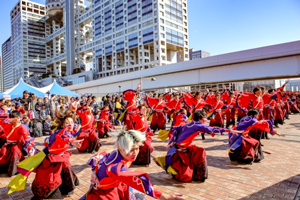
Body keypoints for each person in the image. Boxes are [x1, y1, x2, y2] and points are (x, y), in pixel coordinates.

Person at [80, 130, 183, 200]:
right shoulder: (116, 167)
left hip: (117, 184)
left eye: (137, 148)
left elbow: (102, 158)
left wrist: (95, 172)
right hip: (106, 193)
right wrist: (165, 196)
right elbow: (139, 183)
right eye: (131, 149)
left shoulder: (117, 152)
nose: (135, 153)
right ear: (121, 148)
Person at [7, 111, 82, 198]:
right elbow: (62, 138)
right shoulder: (60, 133)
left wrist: (74, 141)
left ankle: (67, 190)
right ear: (62, 125)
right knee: (48, 177)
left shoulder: (69, 133)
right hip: (51, 158)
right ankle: (44, 192)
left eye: (72, 122)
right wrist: (73, 142)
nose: (70, 124)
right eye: (67, 123)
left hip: (61, 156)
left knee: (67, 170)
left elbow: (70, 137)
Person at [154, 110, 230, 183]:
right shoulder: (196, 125)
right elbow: (212, 129)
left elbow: (178, 128)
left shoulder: (192, 123)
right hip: (181, 148)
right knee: (186, 176)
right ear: (200, 119)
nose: (206, 120)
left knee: (200, 151)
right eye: (205, 118)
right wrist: (230, 131)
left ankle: (197, 174)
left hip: (183, 146)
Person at [0, 111, 36, 177]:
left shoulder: (22, 127)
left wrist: (30, 151)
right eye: (14, 118)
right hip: (7, 143)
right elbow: (2, 120)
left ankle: (15, 170)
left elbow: (28, 140)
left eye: (18, 118)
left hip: (17, 144)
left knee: (14, 150)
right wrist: (9, 119)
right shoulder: (7, 123)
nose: (16, 120)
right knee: (3, 154)